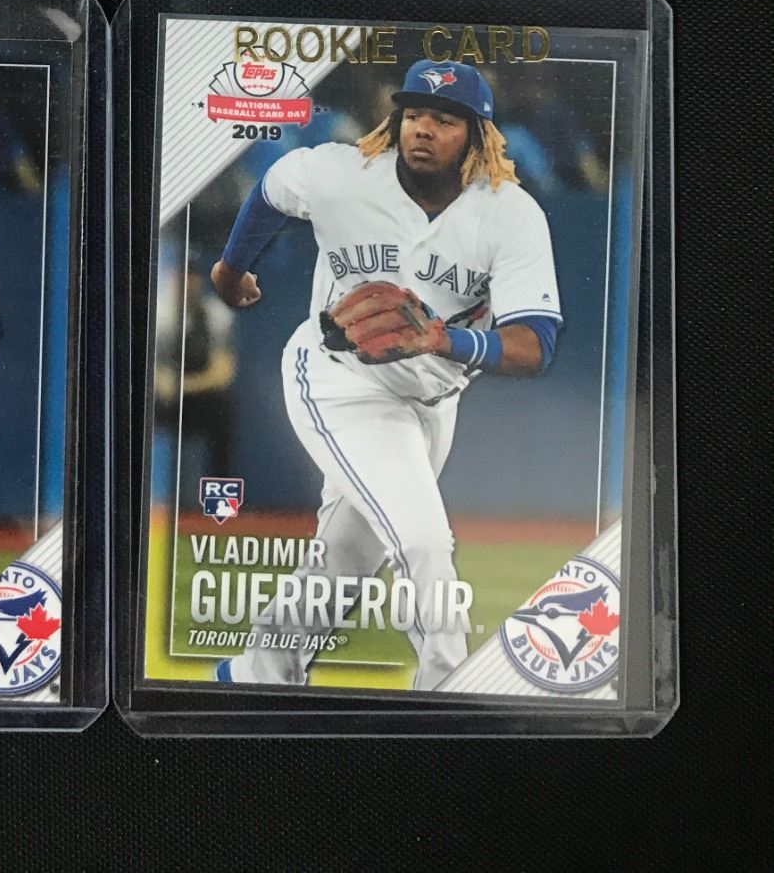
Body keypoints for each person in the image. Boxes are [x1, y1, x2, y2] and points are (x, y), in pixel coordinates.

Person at [207, 59, 561, 690]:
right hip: (340, 380)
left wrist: (446, 340)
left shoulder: (510, 214)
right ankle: (447, 695)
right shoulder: (343, 174)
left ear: (478, 136)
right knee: (423, 543)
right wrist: (231, 271)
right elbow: (272, 189)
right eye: (414, 113)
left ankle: (255, 674)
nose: (423, 128)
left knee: (344, 559)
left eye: (445, 119)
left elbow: (534, 345)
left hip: (433, 399)